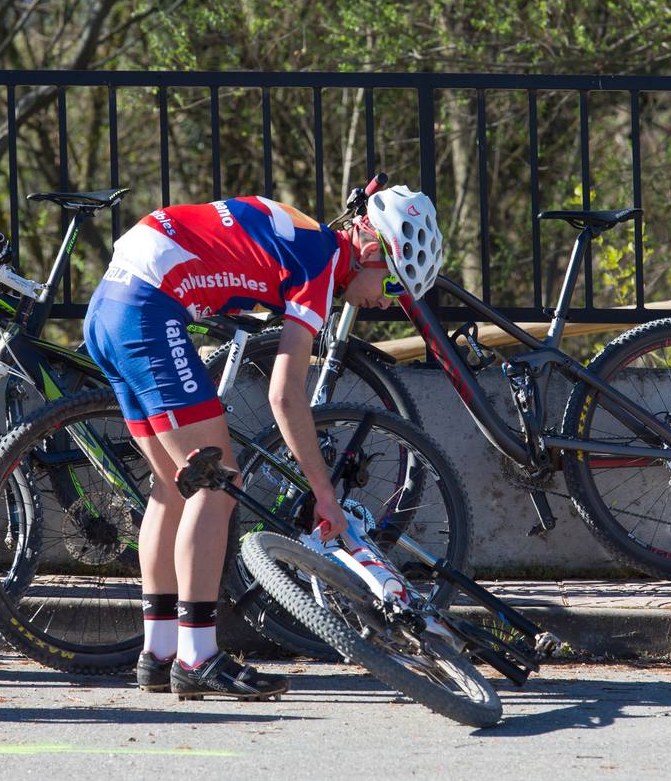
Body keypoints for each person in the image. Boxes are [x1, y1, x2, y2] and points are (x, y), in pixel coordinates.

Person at [85, 186, 443, 699]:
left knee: (170, 487)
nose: (386, 300)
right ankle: (197, 657)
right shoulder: (322, 266)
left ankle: (159, 651)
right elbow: (286, 396)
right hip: (146, 309)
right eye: (392, 283)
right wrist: (325, 494)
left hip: (109, 305)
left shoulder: (307, 238)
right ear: (370, 250)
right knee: (217, 485)